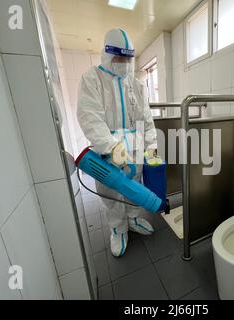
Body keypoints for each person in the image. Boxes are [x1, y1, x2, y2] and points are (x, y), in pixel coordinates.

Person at [77, 28, 158, 257]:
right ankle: (118, 230)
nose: (124, 63)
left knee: (134, 188)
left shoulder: (136, 84)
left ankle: (133, 220)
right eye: (119, 58)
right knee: (112, 193)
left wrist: (151, 146)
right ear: (107, 55)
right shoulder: (92, 78)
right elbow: (90, 116)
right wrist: (111, 147)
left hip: (135, 149)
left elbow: (146, 118)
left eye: (127, 58)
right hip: (108, 152)